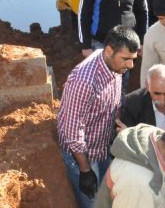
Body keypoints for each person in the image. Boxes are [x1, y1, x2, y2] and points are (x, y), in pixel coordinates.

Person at [58, 26, 140, 208]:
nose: (130, 65)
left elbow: (115, 100)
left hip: (103, 148)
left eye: (133, 59)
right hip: (82, 156)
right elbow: (72, 132)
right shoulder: (84, 81)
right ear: (109, 50)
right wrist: (85, 172)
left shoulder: (115, 66)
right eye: (126, 59)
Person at [78, 0, 147, 93]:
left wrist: (141, 39)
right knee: (101, 85)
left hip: (128, 43)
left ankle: (119, 113)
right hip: (100, 44)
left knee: (122, 84)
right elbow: (84, 14)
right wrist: (86, 45)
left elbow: (142, 11)